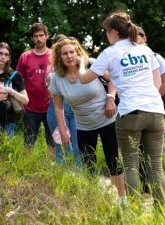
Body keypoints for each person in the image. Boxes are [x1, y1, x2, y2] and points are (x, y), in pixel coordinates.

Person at [78, 12, 165, 207]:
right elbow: (158, 82)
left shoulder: (110, 53)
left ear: (113, 32)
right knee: (156, 168)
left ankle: (135, 214)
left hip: (130, 113)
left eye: (106, 32)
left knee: (131, 166)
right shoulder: (146, 50)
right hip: (155, 111)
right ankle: (162, 214)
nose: (106, 36)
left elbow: (84, 79)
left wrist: (80, 64)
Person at [48, 37, 126, 203]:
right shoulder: (57, 78)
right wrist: (63, 132)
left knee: (113, 159)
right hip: (83, 125)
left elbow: (113, 79)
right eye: (64, 54)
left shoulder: (90, 63)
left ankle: (122, 199)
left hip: (107, 119)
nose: (69, 56)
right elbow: (58, 107)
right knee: (88, 163)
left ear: (78, 52)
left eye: (72, 52)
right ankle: (95, 201)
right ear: (59, 57)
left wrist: (111, 98)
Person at [136, 26, 165, 197]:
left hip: (153, 108)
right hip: (135, 109)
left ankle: (156, 187)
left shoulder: (156, 57)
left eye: (138, 36)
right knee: (138, 149)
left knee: (153, 151)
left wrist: (152, 98)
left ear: (145, 37)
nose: (136, 39)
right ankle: (142, 187)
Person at [16, 23, 55, 152]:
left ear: (47, 36)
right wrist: (21, 103)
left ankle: (53, 169)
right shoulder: (25, 57)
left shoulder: (54, 56)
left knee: (52, 141)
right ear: (32, 38)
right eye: (36, 36)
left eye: (41, 35)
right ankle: (28, 168)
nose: (39, 39)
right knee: (29, 141)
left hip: (51, 105)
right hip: (30, 107)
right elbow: (18, 81)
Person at [46, 34, 81, 169]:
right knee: (60, 144)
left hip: (76, 106)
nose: (67, 55)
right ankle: (62, 179)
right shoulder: (51, 69)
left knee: (78, 143)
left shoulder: (79, 65)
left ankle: (80, 177)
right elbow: (53, 94)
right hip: (57, 106)